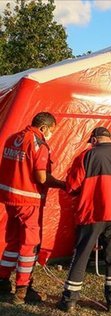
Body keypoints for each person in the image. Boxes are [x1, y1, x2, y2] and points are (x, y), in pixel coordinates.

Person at [58, 127, 111, 312]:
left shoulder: (87, 156)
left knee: (81, 255)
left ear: (94, 140)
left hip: (92, 213)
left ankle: (70, 301)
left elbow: (73, 185)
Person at [0, 112, 66, 305]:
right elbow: (41, 177)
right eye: (51, 130)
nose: (50, 134)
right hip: (29, 201)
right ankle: (22, 290)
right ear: (44, 128)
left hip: (10, 199)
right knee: (29, 245)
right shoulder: (38, 143)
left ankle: (2, 280)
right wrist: (62, 184)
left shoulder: (13, 138)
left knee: (13, 241)